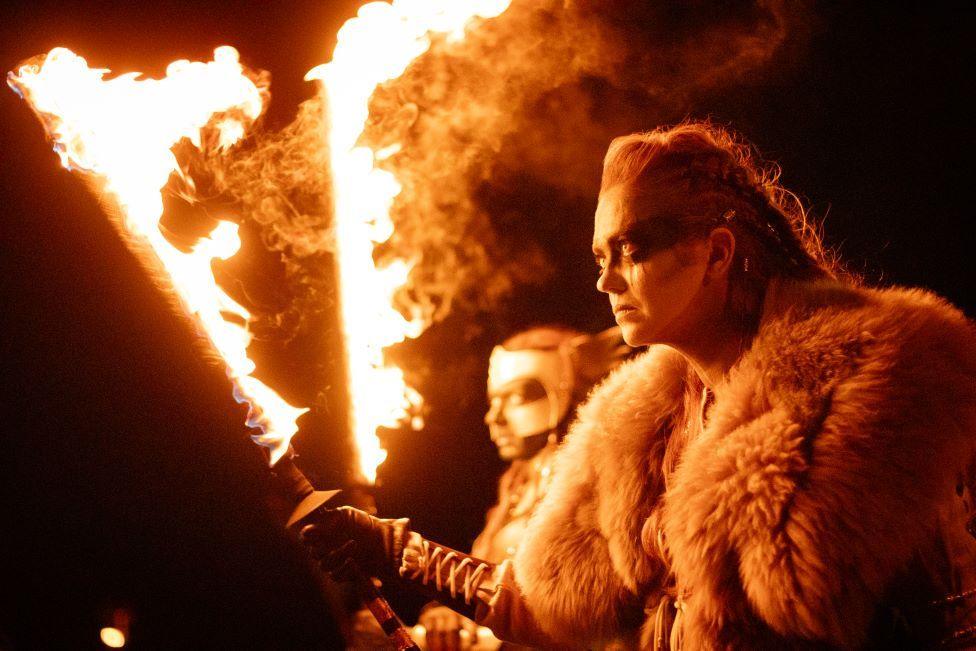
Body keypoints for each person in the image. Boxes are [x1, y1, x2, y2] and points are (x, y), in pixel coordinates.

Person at [302, 120, 976, 649]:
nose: (605, 280)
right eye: (601, 256)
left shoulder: (875, 381)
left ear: (716, 252)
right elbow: (547, 606)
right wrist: (398, 549)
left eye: (632, 248)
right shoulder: (640, 427)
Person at [416, 326, 630, 650]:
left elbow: (581, 617)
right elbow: (487, 585)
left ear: (564, 392)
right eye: (494, 401)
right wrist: (448, 611)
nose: (494, 417)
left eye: (515, 398)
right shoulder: (516, 488)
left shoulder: (598, 484)